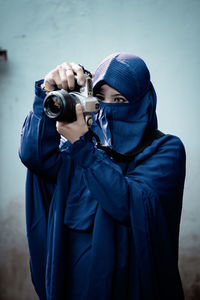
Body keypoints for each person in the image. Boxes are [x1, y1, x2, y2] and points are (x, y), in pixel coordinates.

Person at [19, 52, 186, 300]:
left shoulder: (164, 150)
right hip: (72, 286)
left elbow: (129, 204)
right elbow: (35, 156)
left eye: (119, 99)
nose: (107, 109)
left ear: (143, 103)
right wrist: (47, 93)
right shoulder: (80, 146)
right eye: (99, 97)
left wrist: (83, 150)